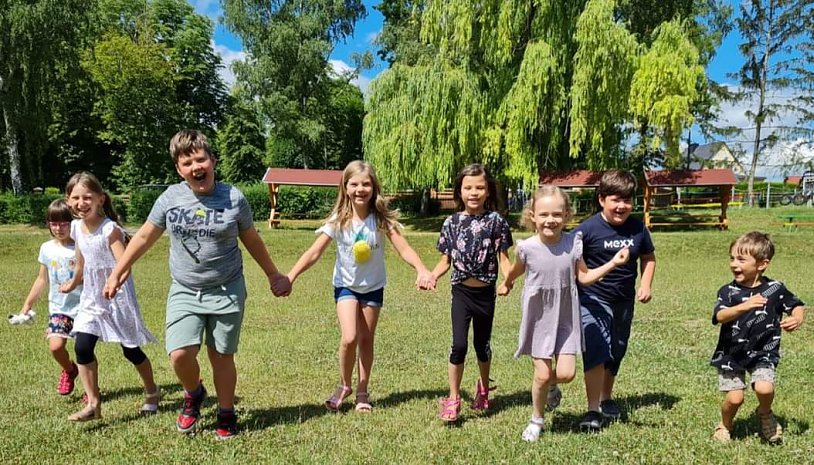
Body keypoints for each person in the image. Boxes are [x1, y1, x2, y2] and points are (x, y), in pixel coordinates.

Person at [104, 130, 292, 440]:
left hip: (227, 287)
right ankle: (194, 393)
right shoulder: (170, 198)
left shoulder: (233, 197)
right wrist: (118, 271)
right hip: (185, 288)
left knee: (221, 355)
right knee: (179, 353)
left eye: (201, 159)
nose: (195, 167)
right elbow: (144, 236)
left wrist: (273, 274)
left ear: (213, 161)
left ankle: (226, 412)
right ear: (179, 169)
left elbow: (251, 239)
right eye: (187, 162)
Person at [287, 160, 435, 413]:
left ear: (374, 187)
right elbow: (315, 252)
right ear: (345, 187)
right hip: (346, 286)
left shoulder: (381, 220)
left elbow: (404, 248)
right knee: (350, 337)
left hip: (373, 286)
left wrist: (421, 269)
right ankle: (345, 385)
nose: (360, 189)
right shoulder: (338, 220)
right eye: (354, 184)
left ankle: (362, 391)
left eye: (366, 184)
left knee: (366, 340)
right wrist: (290, 277)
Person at [498, 185, 628, 442]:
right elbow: (515, 270)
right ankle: (537, 419)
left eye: (557, 214)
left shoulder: (573, 244)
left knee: (566, 374)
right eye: (544, 214)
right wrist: (507, 283)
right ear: (532, 216)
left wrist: (613, 262)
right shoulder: (527, 247)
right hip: (538, 317)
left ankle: (549, 386)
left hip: (566, 317)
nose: (550, 220)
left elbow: (585, 277)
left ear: (567, 216)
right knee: (543, 372)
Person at [59, 172, 159, 422]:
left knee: (131, 351)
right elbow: (82, 260)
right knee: (82, 346)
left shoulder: (110, 230)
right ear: (68, 201)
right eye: (76, 198)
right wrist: (73, 281)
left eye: (87, 197)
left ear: (101, 199)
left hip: (118, 296)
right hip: (92, 297)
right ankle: (93, 403)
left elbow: (124, 263)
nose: (81, 203)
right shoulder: (75, 228)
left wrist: (114, 283)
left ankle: (152, 392)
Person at [431, 163, 513, 423]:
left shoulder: (496, 222)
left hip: (486, 295)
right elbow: (445, 261)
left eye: (480, 187)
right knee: (459, 345)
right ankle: (454, 398)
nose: (474, 192)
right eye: (468, 187)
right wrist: (432, 276)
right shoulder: (452, 222)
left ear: (488, 191)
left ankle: (484, 388)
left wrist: (508, 281)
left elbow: (504, 259)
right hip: (461, 293)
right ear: (460, 191)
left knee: (481, 346)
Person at [575, 169, 656, 432]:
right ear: (601, 199)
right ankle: (592, 409)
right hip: (593, 298)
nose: (622, 206)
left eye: (627, 200)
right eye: (615, 200)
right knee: (597, 348)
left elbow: (648, 257)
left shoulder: (638, 228)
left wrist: (645, 284)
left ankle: (606, 397)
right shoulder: (586, 230)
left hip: (624, 300)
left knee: (617, 349)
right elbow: (572, 262)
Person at [710, 231, 804, 444]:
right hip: (730, 354)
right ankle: (725, 424)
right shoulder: (728, 292)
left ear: (762, 264)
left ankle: (765, 412)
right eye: (732, 258)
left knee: (764, 387)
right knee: (735, 399)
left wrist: (797, 318)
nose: (734, 264)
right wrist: (744, 306)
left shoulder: (775, 289)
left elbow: (795, 304)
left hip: (764, 351)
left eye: (741, 259)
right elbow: (720, 315)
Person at [18, 199, 83, 396]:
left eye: (64, 223)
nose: (59, 228)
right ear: (48, 224)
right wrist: (27, 305)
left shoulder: (81, 247)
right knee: (55, 347)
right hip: (59, 307)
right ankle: (70, 370)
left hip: (83, 307)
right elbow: (41, 279)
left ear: (73, 223)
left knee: (83, 350)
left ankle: (91, 391)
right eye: (54, 223)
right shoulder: (46, 248)